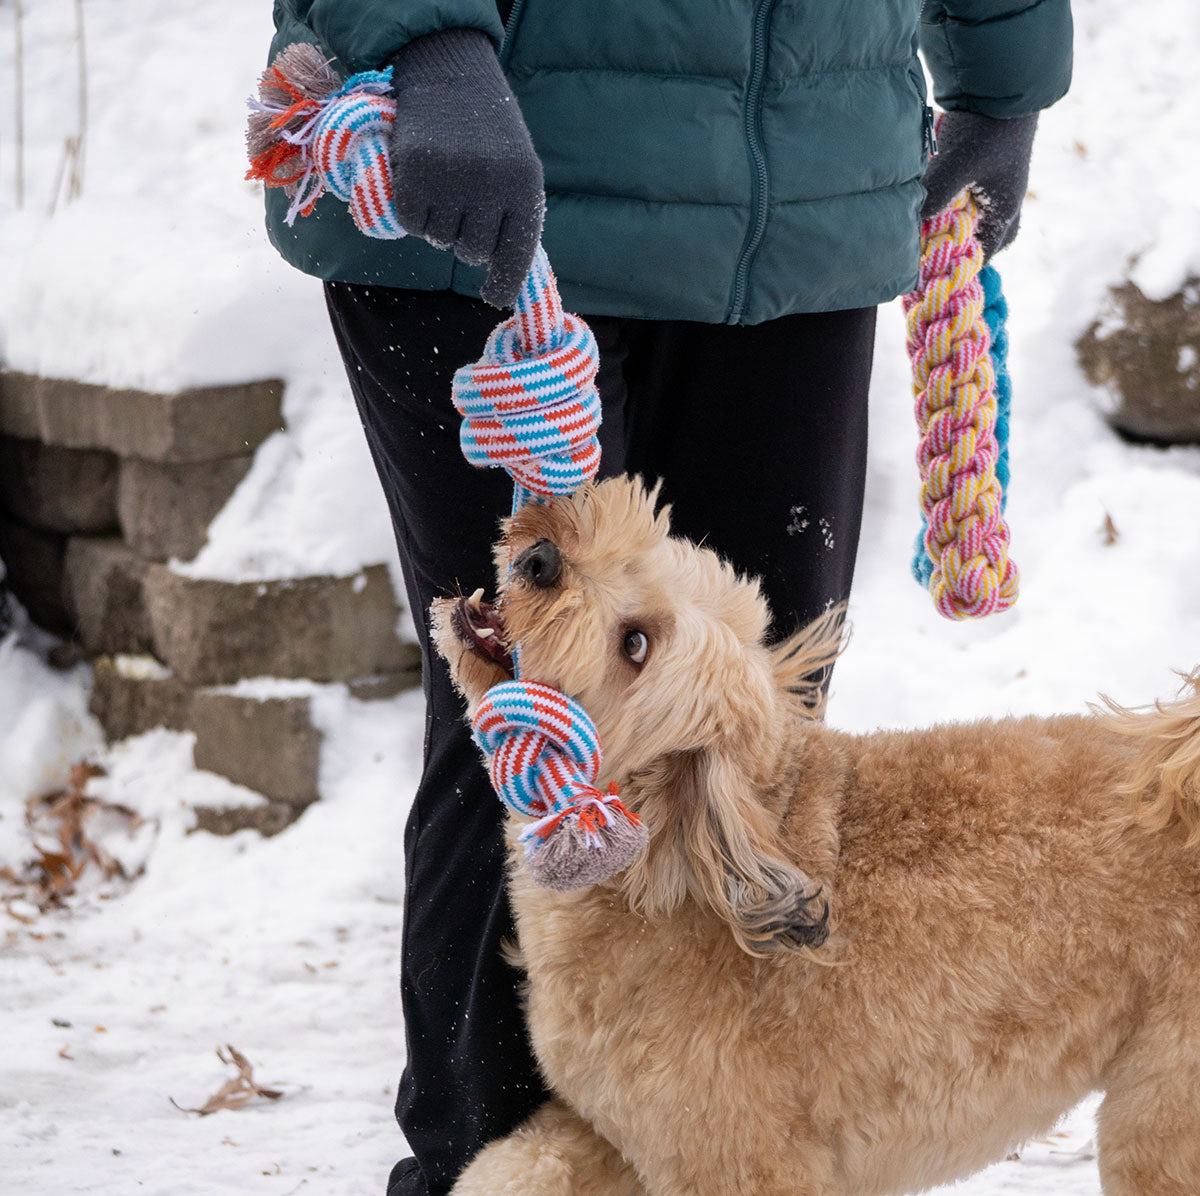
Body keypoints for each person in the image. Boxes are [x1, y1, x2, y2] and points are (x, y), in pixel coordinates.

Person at [260, 3, 1073, 1193]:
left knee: (747, 745)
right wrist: (420, 34)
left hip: (805, 181)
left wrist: (1003, 79)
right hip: (494, 173)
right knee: (535, 725)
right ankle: (489, 1170)